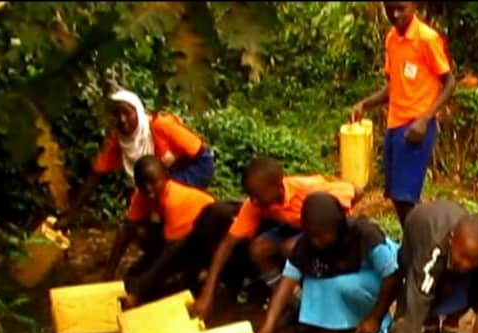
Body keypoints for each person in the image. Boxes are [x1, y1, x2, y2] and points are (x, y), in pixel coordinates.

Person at [193, 156, 358, 320]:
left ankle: (315, 302)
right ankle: (286, 299)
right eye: (251, 196)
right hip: (293, 227)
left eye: (258, 195)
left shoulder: (307, 190)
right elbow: (227, 244)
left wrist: (335, 220)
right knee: (257, 249)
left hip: (321, 232)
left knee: (291, 248)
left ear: (278, 187)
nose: (254, 201)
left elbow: (354, 190)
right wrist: (208, 293)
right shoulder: (255, 204)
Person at [252, 193, 401, 333]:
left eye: (323, 236)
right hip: (345, 276)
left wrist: (375, 318)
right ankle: (336, 327)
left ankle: (375, 325)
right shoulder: (306, 243)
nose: (317, 242)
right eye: (312, 236)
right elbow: (286, 284)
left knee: (341, 285)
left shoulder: (364, 233)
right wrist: (266, 331)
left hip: (378, 281)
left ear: (337, 227)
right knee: (313, 283)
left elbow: (392, 275)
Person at [349, 2, 455, 227]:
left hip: (416, 128)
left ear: (414, 6)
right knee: (397, 197)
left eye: (401, 8)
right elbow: (394, 86)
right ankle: (413, 244)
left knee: (406, 197)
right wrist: (364, 104)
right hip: (394, 125)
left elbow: (449, 82)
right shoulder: (391, 39)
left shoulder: (427, 38)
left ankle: (423, 244)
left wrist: (425, 120)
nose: (395, 14)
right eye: (390, 9)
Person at [68, 87, 215, 223]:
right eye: (117, 114)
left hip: (195, 165)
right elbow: (97, 173)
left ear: (137, 111)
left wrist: (177, 168)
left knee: (160, 199)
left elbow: (199, 151)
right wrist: (73, 211)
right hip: (162, 176)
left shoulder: (160, 125)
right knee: (146, 206)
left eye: (127, 113)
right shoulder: (118, 140)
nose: (122, 119)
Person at [103, 155, 234, 307]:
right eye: (142, 184)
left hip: (208, 237)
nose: (149, 188)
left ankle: (200, 272)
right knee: (141, 235)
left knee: (167, 271)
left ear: (166, 177)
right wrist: (109, 271)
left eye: (153, 182)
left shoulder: (174, 200)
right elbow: (127, 230)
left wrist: (139, 292)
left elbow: (169, 254)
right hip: (180, 237)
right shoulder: (142, 196)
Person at [392, 200, 478, 333]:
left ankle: (450, 327)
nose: (466, 264)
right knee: (424, 284)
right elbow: (419, 295)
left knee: (466, 285)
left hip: (446, 237)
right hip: (419, 232)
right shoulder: (433, 247)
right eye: (462, 256)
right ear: (451, 240)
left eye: (473, 260)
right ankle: (430, 324)